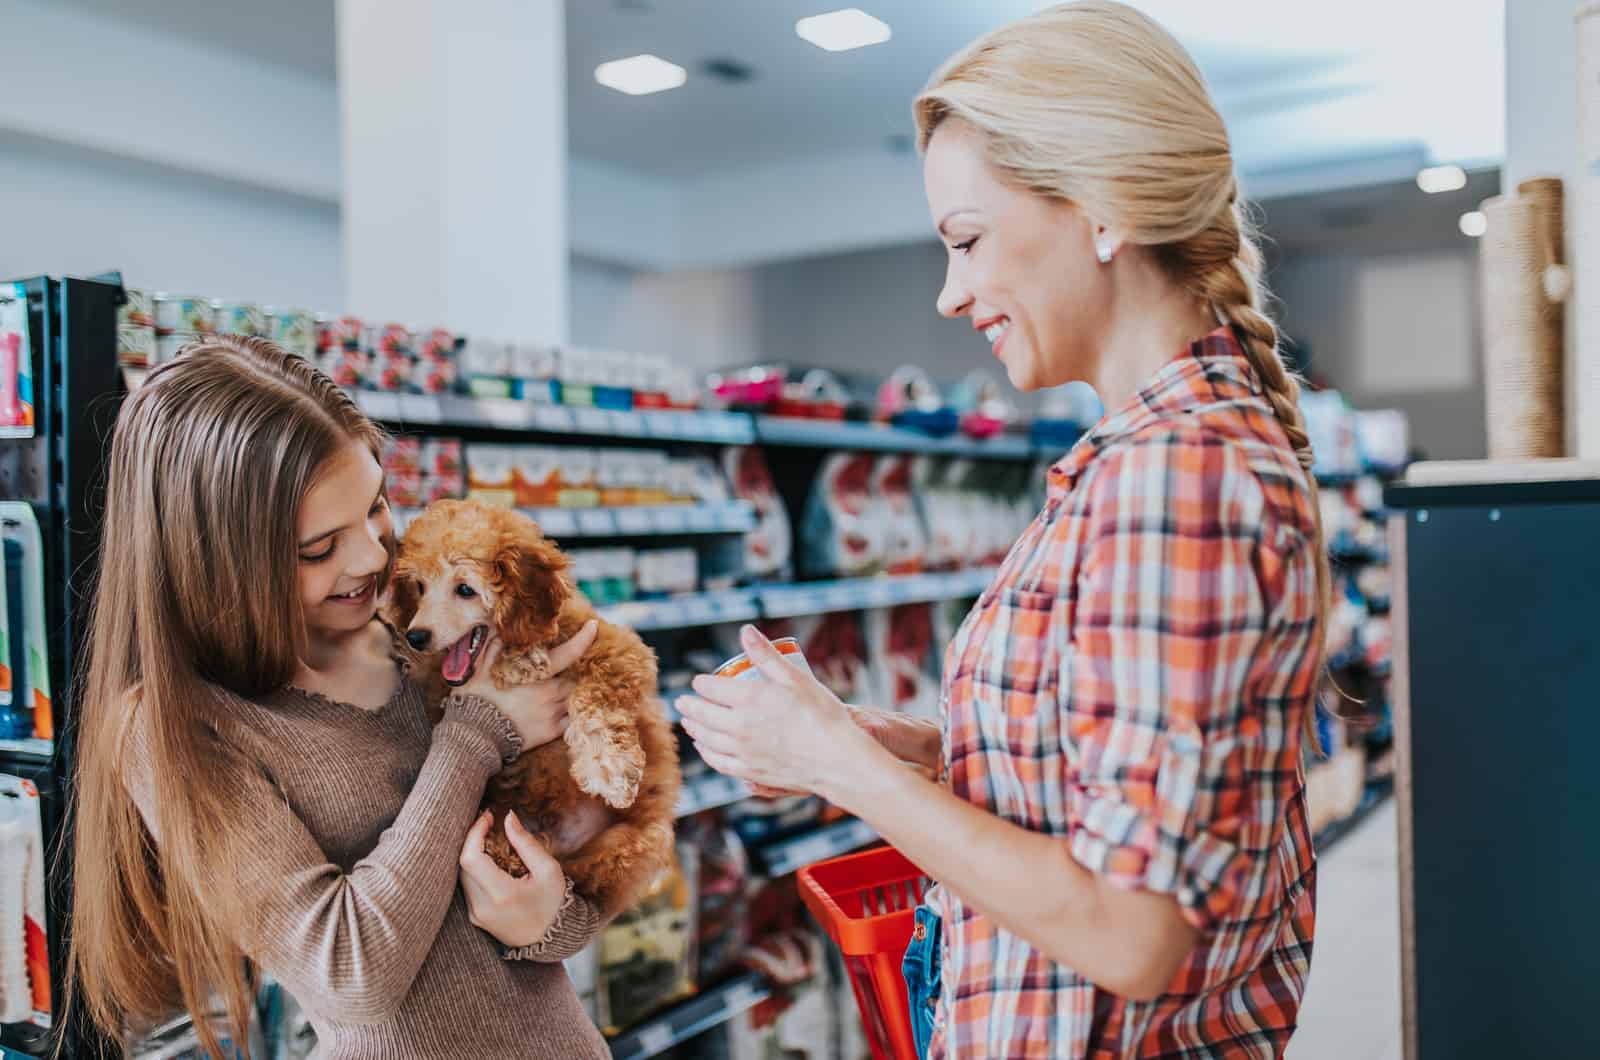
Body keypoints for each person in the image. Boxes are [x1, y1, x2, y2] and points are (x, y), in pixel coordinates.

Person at [677, 3, 1325, 1057]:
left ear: (1105, 206)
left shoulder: (1178, 481)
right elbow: (1132, 797)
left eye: (966, 240)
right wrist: (939, 759)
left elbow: (1133, 932)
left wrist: (845, 769)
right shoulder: (1138, 464)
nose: (948, 293)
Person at [67, 336, 611, 1058]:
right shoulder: (177, 723)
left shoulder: (416, 625)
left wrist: (551, 919)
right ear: (215, 562)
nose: (372, 557)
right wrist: (477, 730)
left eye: (376, 507)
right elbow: (349, 973)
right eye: (317, 548)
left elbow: (570, 870)